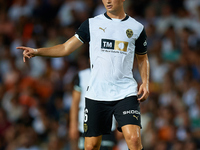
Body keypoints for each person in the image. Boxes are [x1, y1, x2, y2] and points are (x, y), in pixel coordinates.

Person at [17, 0, 150, 149]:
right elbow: (65, 48)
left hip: (125, 92)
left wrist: (145, 82)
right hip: (97, 93)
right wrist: (37, 51)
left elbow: (142, 58)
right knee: (91, 146)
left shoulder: (137, 28)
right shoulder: (92, 24)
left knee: (133, 139)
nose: (108, 1)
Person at [69, 64, 117, 150]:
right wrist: (73, 125)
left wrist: (119, 124)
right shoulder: (82, 76)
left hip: (108, 124)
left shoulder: (113, 74)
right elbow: (75, 102)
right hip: (85, 124)